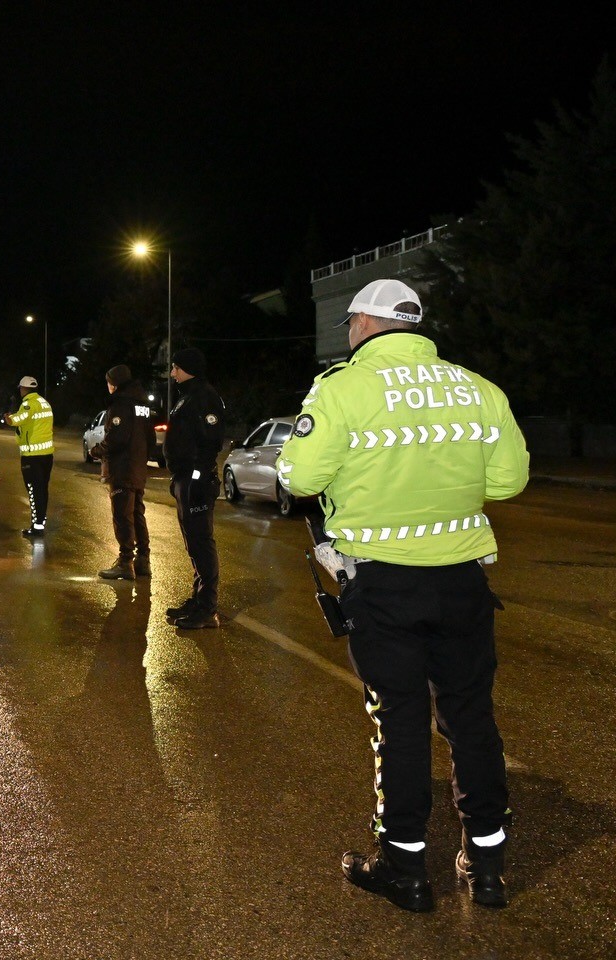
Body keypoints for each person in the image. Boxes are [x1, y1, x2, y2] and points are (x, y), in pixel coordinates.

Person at [277, 279, 528, 912]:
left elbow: (300, 475)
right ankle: (488, 866)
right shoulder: (479, 389)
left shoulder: (341, 389)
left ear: (364, 323)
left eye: (350, 324)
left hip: (383, 586)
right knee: (470, 715)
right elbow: (508, 482)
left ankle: (405, 868)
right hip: (463, 581)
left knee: (401, 719)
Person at [163, 347, 225, 629]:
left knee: (201, 542)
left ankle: (207, 608)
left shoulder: (204, 397)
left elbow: (210, 443)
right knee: (193, 543)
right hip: (185, 478)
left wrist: (197, 479)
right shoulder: (188, 396)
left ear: (187, 368)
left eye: (175, 367)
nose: (172, 373)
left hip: (195, 481)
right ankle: (198, 599)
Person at [92, 364, 156, 579]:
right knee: (137, 512)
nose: (108, 386)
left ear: (115, 384)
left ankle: (125, 562)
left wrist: (97, 450)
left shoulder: (120, 405)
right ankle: (143, 560)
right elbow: (151, 439)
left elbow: (116, 438)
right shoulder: (142, 406)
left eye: (109, 382)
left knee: (122, 515)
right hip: (138, 468)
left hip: (122, 468)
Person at [4, 375, 54, 537]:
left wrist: (9, 419)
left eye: (20, 389)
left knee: (33, 491)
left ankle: (37, 527)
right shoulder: (45, 403)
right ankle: (40, 522)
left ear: (23, 389)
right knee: (43, 490)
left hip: (32, 456)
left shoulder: (28, 404)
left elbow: (20, 418)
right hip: (47, 455)